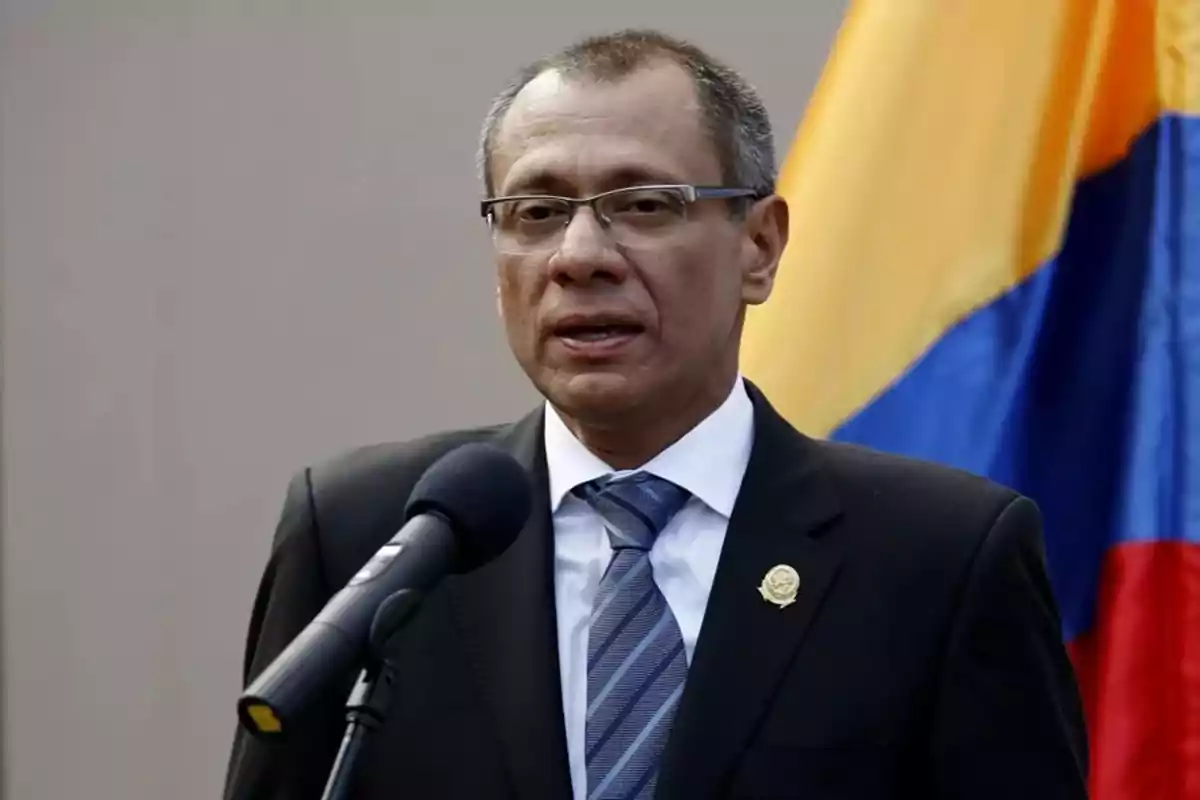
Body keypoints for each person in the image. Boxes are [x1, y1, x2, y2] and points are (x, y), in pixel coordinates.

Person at [222, 28, 1089, 800]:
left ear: (759, 246)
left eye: (644, 205)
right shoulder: (368, 531)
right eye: (536, 212)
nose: (579, 257)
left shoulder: (940, 556)